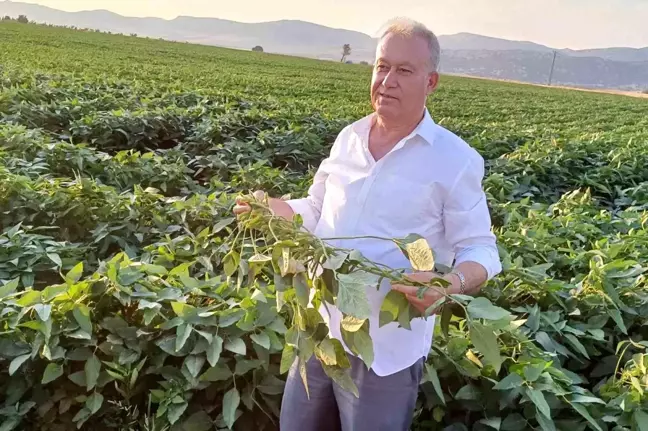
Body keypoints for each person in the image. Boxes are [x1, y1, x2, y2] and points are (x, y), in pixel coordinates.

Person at [234, 17, 502, 431]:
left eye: (404, 70)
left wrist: (451, 285)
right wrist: (277, 210)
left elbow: (480, 248)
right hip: (319, 331)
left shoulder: (455, 159)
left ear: (431, 82)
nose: (387, 80)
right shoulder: (349, 138)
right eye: (381, 66)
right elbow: (318, 207)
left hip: (385, 352)